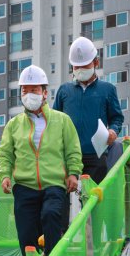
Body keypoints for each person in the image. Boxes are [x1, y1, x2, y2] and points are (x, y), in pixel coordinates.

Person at [0, 65, 83, 256]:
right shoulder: (14, 125)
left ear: (45, 93)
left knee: (51, 214)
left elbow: (73, 149)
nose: (29, 95)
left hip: (54, 183)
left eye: (34, 90)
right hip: (24, 186)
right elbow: (5, 154)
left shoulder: (62, 121)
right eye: (25, 91)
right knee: (26, 233)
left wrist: (73, 173)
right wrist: (4, 175)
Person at [53, 36, 124, 184]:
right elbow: (54, 121)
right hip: (67, 155)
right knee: (60, 196)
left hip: (96, 155)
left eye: (84, 66)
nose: (80, 70)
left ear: (96, 62)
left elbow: (117, 118)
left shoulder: (108, 89)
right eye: (76, 66)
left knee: (94, 199)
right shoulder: (64, 90)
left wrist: (113, 131)